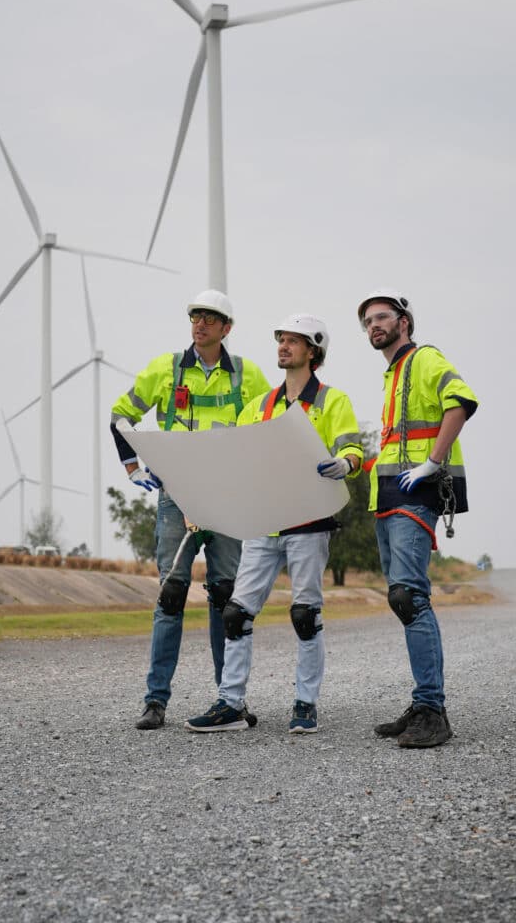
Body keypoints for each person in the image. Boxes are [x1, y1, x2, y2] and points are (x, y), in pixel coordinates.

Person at [185, 313, 362, 735]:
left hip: (309, 522)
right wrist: (202, 500)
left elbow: (352, 447)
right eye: (281, 340)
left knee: (305, 613)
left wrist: (346, 463)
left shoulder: (333, 401)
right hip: (264, 523)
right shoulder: (259, 405)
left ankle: (305, 704)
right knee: (235, 613)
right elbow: (232, 456)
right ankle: (230, 704)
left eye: (293, 341)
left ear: (313, 351)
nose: (283, 346)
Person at [110, 290, 270, 730]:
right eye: (195, 316)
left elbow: (271, 427)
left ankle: (228, 701)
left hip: (227, 499)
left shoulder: (249, 375)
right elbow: (121, 415)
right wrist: (131, 468)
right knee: (171, 594)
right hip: (175, 497)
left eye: (209, 318)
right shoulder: (166, 369)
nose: (199, 323)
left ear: (226, 328)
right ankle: (155, 702)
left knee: (226, 598)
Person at [358, 288, 478, 749]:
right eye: (367, 321)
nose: (373, 325)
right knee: (400, 597)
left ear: (404, 321)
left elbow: (461, 401)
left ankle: (433, 710)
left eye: (382, 317)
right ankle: (422, 702)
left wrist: (434, 460)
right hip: (387, 497)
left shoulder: (424, 358)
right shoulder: (394, 373)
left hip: (414, 495)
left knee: (410, 597)